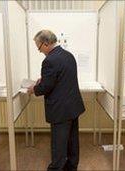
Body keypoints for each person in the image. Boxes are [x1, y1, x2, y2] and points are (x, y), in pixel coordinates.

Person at [27, 30, 85, 171]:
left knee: (58, 143)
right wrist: (44, 81)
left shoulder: (49, 61)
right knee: (72, 141)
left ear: (46, 44)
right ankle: (71, 166)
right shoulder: (68, 55)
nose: (39, 51)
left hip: (60, 109)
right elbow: (61, 79)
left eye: (39, 47)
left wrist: (34, 88)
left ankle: (56, 168)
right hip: (73, 106)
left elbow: (46, 87)